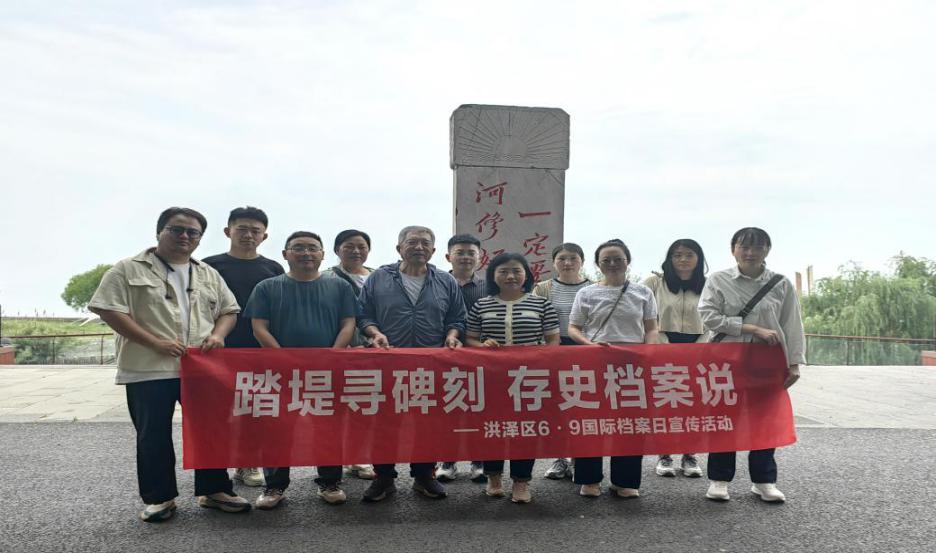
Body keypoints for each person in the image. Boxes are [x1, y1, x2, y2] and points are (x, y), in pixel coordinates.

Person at [88, 207, 250, 522]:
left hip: (202, 368)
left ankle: (215, 490)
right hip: (147, 367)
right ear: (159, 232)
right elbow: (109, 309)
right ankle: (160, 498)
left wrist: (218, 335)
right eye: (177, 230)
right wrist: (154, 342)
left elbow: (229, 311)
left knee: (210, 430)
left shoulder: (207, 273)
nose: (185, 236)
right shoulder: (127, 269)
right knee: (153, 434)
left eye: (193, 232)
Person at [244, 231, 359, 509]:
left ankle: (330, 482)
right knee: (277, 429)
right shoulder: (267, 287)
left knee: (327, 428)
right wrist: (282, 358)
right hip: (279, 373)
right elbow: (259, 326)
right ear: (285, 254)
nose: (306, 253)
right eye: (298, 248)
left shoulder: (339, 286)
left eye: (312, 248)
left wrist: (333, 355)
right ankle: (274, 486)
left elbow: (348, 323)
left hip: (326, 371)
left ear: (322, 254)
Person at [357, 225, 467, 501]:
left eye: (425, 243)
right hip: (387, 363)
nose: (419, 247)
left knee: (427, 423)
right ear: (399, 248)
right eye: (412, 242)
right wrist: (374, 333)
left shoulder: (446, 281)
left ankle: (424, 475)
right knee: (383, 423)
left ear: (433, 250)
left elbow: (457, 318)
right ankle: (384, 477)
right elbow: (363, 315)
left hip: (430, 365)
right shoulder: (378, 278)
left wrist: (452, 336)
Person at [699, 227, 804, 503]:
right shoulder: (718, 280)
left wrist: (794, 363)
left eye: (757, 247)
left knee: (765, 419)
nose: (750, 253)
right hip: (725, 360)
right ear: (733, 250)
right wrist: (751, 328)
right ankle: (719, 479)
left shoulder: (781, 283)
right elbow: (708, 316)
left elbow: (792, 324)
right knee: (724, 418)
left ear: (767, 250)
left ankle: (764, 481)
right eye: (744, 247)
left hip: (767, 359)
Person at [568, 239, 659, 498]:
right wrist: (589, 345)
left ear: (627, 261)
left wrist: (649, 351)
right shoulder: (586, 293)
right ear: (597, 264)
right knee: (591, 421)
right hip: (594, 363)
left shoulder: (643, 292)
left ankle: (625, 481)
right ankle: (589, 479)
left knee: (630, 423)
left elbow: (651, 328)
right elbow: (573, 328)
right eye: (606, 260)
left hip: (632, 366)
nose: (612, 264)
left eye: (618, 259)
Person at [466, 253, 560, 503]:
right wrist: (482, 345)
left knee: (525, 431)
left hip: (529, 379)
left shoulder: (541, 304)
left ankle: (521, 481)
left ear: (526, 275)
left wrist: (539, 357)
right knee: (492, 428)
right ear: (493, 276)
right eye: (503, 271)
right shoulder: (481, 305)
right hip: (492, 378)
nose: (510, 276)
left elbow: (553, 340)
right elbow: (470, 338)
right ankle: (493, 477)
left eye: (516, 271)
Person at [203, 206, 284, 488]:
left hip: (261, 349)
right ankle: (214, 471)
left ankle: (247, 463)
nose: (248, 235)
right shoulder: (209, 266)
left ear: (264, 236)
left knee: (255, 410)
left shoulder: (273, 268)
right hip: (218, 348)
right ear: (228, 231)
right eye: (242, 229)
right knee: (218, 412)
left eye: (255, 230)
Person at [643, 239, 707, 479]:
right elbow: (645, 316)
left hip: (699, 352)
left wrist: (701, 347)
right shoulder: (654, 283)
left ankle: (690, 455)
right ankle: (665, 454)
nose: (683, 259)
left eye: (689, 254)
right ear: (669, 258)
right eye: (677, 255)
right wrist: (663, 345)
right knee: (666, 404)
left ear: (699, 258)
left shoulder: (709, 285)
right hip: (663, 350)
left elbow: (714, 319)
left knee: (695, 406)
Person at [532, 242, 592, 480]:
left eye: (573, 258)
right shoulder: (543, 288)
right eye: (562, 258)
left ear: (582, 262)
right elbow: (535, 319)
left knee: (581, 406)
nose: (567, 263)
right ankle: (560, 458)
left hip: (585, 350)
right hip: (554, 351)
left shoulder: (593, 288)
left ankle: (579, 459)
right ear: (554, 262)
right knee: (557, 407)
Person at [321, 228, 377, 480]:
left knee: (365, 406)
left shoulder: (378, 276)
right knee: (337, 409)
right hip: (340, 351)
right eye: (349, 246)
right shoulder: (327, 278)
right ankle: (335, 459)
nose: (356, 251)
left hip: (373, 351)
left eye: (361, 247)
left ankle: (359, 457)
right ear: (337, 250)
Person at [436, 233, 488, 484]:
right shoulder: (437, 283)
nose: (466, 257)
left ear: (480, 257)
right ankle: (447, 461)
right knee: (449, 408)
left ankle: (479, 461)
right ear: (448, 256)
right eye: (460, 252)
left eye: (471, 253)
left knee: (479, 409)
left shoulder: (489, 286)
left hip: (481, 356)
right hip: (445, 355)